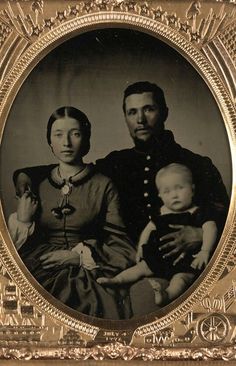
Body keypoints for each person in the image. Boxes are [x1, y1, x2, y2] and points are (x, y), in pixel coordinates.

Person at [13, 82, 229, 315]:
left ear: (165, 112)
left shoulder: (197, 164)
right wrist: (25, 175)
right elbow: (72, 168)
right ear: (125, 117)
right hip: (131, 261)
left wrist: (198, 235)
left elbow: (228, 219)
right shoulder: (117, 163)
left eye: (149, 109)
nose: (140, 120)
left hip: (189, 264)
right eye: (132, 112)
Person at [8, 106, 136, 320]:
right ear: (50, 141)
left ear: (86, 140)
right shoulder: (37, 183)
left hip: (85, 271)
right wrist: (22, 220)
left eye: (75, 134)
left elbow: (121, 244)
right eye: (58, 135)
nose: (66, 143)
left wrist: (77, 256)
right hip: (39, 264)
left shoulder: (103, 185)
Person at [97, 163, 218, 306]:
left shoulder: (197, 212)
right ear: (160, 195)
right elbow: (148, 230)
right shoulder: (162, 212)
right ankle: (117, 280)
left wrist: (205, 251)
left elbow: (211, 228)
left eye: (180, 188)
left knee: (181, 280)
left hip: (184, 261)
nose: (174, 195)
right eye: (167, 191)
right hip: (158, 257)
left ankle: (166, 295)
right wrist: (142, 247)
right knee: (139, 269)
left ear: (192, 188)